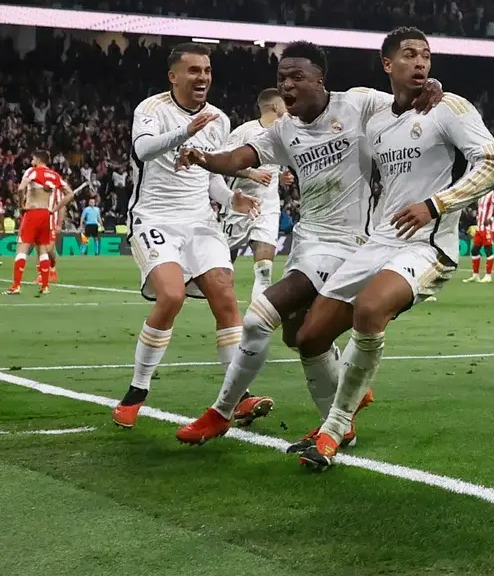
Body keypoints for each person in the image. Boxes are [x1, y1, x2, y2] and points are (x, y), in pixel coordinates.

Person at [172, 41, 443, 446]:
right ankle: (341, 412)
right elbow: (239, 158)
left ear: (321, 79)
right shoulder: (284, 130)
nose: (287, 85)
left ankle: (221, 412)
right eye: (282, 78)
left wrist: (431, 85)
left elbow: (404, 100)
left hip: (347, 244)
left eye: (297, 77)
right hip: (307, 242)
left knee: (258, 317)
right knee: (298, 337)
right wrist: (202, 158)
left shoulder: (358, 105)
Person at [293, 28, 494, 471]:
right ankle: (342, 417)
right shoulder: (375, 121)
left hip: (428, 245)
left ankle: (333, 429)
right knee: (309, 336)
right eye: (409, 55)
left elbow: (492, 165)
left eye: (426, 56)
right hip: (378, 241)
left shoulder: (449, 107)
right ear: (387, 65)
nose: (421, 63)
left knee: (370, 310)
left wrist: (436, 204)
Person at [112, 43, 264, 429]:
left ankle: (237, 399)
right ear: (173, 76)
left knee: (226, 296)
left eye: (207, 71)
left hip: (200, 221)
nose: (203, 78)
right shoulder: (151, 109)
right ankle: (138, 390)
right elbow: (143, 151)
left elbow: (211, 177)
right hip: (154, 219)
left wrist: (232, 197)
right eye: (194, 70)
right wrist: (185, 131)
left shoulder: (219, 119)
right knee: (172, 295)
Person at [221, 89, 288, 304]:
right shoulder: (244, 132)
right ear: (276, 107)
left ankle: (256, 323)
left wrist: (282, 175)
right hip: (239, 206)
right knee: (221, 268)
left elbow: (276, 166)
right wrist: (251, 172)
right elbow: (224, 164)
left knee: (264, 272)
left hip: (267, 207)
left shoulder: (284, 134)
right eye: (285, 104)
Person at [7, 151, 72, 296]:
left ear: (38, 159)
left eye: (33, 158)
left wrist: (21, 204)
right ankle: (45, 286)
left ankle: (16, 286)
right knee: (43, 250)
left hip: (32, 212)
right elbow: (70, 194)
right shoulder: (54, 175)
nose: (31, 161)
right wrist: (55, 208)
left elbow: (21, 188)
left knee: (22, 248)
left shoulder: (32, 171)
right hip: (46, 215)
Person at [464, 185, 494, 283]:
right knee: (474, 250)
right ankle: (475, 276)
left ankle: (488, 276)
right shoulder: (481, 197)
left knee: (488, 250)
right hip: (479, 228)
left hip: (488, 228)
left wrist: (491, 219)